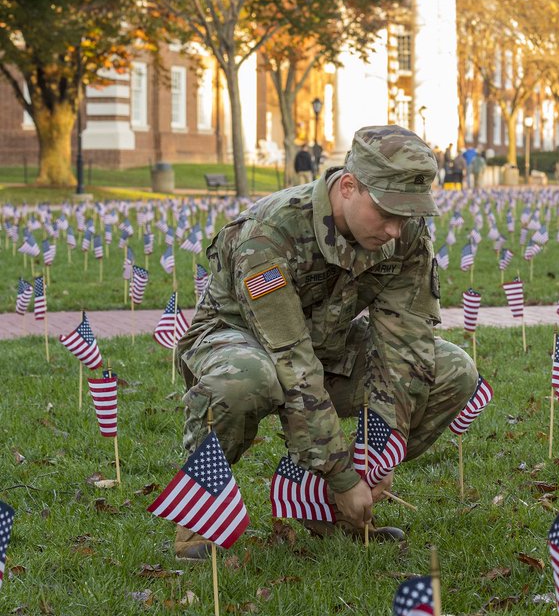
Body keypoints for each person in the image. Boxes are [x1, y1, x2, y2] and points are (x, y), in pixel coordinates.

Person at [172, 125, 477, 560]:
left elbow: (406, 348)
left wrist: (379, 453)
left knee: (452, 370)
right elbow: (291, 360)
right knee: (246, 381)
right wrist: (342, 474)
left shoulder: (404, 235)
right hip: (238, 342)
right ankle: (197, 521)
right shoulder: (269, 234)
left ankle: (328, 508)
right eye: (387, 213)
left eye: (407, 216)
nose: (395, 230)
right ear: (349, 186)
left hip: (326, 346)